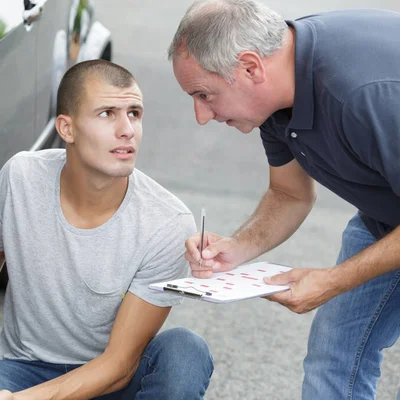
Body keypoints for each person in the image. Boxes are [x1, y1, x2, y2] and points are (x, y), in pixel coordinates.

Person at [0, 59, 213, 400]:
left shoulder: (166, 222)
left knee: (185, 352)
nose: (127, 130)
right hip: (25, 367)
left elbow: (120, 365)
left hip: (113, 376)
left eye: (134, 113)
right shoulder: (21, 177)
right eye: (107, 113)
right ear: (67, 128)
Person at [168, 0, 400, 398]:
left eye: (205, 95)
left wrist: (333, 280)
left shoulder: (363, 96)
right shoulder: (279, 87)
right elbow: (290, 193)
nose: (201, 116)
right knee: (335, 356)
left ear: (250, 67)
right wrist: (236, 248)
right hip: (385, 217)